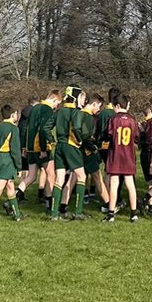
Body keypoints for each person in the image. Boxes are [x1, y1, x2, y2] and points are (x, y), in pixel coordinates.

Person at [52, 87, 90, 220]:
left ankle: (54, 214)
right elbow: (77, 127)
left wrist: (52, 141)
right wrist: (80, 139)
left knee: (59, 179)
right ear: (76, 98)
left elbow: (45, 127)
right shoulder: (76, 112)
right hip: (71, 146)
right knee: (82, 176)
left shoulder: (58, 111)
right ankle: (78, 212)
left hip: (59, 147)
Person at [105, 93, 140, 222]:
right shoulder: (132, 120)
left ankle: (111, 214)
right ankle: (133, 213)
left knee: (114, 183)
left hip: (116, 155)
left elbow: (108, 135)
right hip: (129, 155)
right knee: (130, 184)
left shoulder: (113, 119)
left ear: (117, 105)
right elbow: (137, 137)